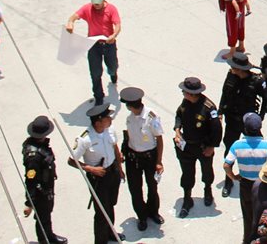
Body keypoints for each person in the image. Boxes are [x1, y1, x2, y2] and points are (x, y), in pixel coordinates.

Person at [69, 103, 123, 244]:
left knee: (111, 205)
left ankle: (110, 232)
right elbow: (71, 160)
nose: (110, 119)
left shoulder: (109, 129)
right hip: (98, 178)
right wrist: (91, 169)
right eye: (107, 117)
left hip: (113, 172)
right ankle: (100, 240)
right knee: (101, 212)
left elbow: (115, 146)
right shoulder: (84, 139)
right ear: (98, 121)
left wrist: (120, 168)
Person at [174, 76, 223, 217]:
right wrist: (177, 130)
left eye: (184, 91)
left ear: (191, 94)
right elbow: (179, 115)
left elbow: (217, 129)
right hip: (187, 146)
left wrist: (212, 147)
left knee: (207, 171)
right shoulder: (186, 102)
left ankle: (208, 190)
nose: (183, 94)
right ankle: (187, 198)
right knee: (187, 174)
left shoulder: (208, 107)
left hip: (203, 147)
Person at [65, 0, 121, 106]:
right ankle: (98, 96)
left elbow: (117, 24)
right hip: (93, 44)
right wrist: (70, 23)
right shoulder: (87, 8)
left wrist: (114, 35)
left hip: (109, 44)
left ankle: (113, 73)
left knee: (112, 66)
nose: (96, 5)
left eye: (98, 3)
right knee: (95, 72)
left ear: (104, 0)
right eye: (94, 3)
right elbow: (73, 17)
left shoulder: (111, 9)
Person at [120, 87, 165, 232]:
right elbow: (129, 137)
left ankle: (153, 212)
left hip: (149, 157)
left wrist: (158, 161)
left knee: (152, 187)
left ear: (130, 105)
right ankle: (142, 216)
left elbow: (159, 139)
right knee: (135, 189)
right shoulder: (130, 118)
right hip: (133, 158)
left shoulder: (152, 117)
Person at [226, 113, 267, 242]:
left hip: (245, 184)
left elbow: (226, 165)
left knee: (248, 215)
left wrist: (234, 177)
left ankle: (248, 239)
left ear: (245, 129)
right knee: (263, 215)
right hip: (263, 185)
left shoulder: (237, 145)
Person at [22, 116, 67, 244]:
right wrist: (29, 203)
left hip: (47, 187)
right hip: (40, 192)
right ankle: (44, 240)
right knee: (42, 218)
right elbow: (31, 180)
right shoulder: (33, 156)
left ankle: (49, 236)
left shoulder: (41, 145)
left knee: (46, 215)